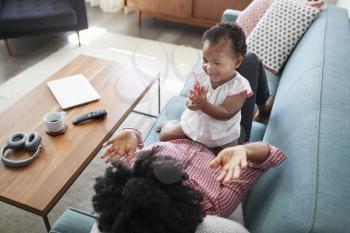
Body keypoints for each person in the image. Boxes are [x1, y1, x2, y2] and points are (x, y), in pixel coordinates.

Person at [93, 128, 286, 233]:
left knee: (167, 131)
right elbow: (271, 155)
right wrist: (245, 150)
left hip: (178, 133)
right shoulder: (215, 205)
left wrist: (132, 133)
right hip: (221, 145)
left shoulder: (134, 179)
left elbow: (137, 148)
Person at [157, 22, 273, 150]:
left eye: (217, 62)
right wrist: (192, 102)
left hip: (224, 134)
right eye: (206, 60)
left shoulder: (239, 86)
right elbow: (192, 97)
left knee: (227, 155)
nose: (209, 67)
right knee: (164, 135)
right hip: (196, 125)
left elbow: (228, 112)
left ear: (238, 61)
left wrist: (204, 105)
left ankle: (264, 108)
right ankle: (170, 124)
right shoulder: (203, 74)